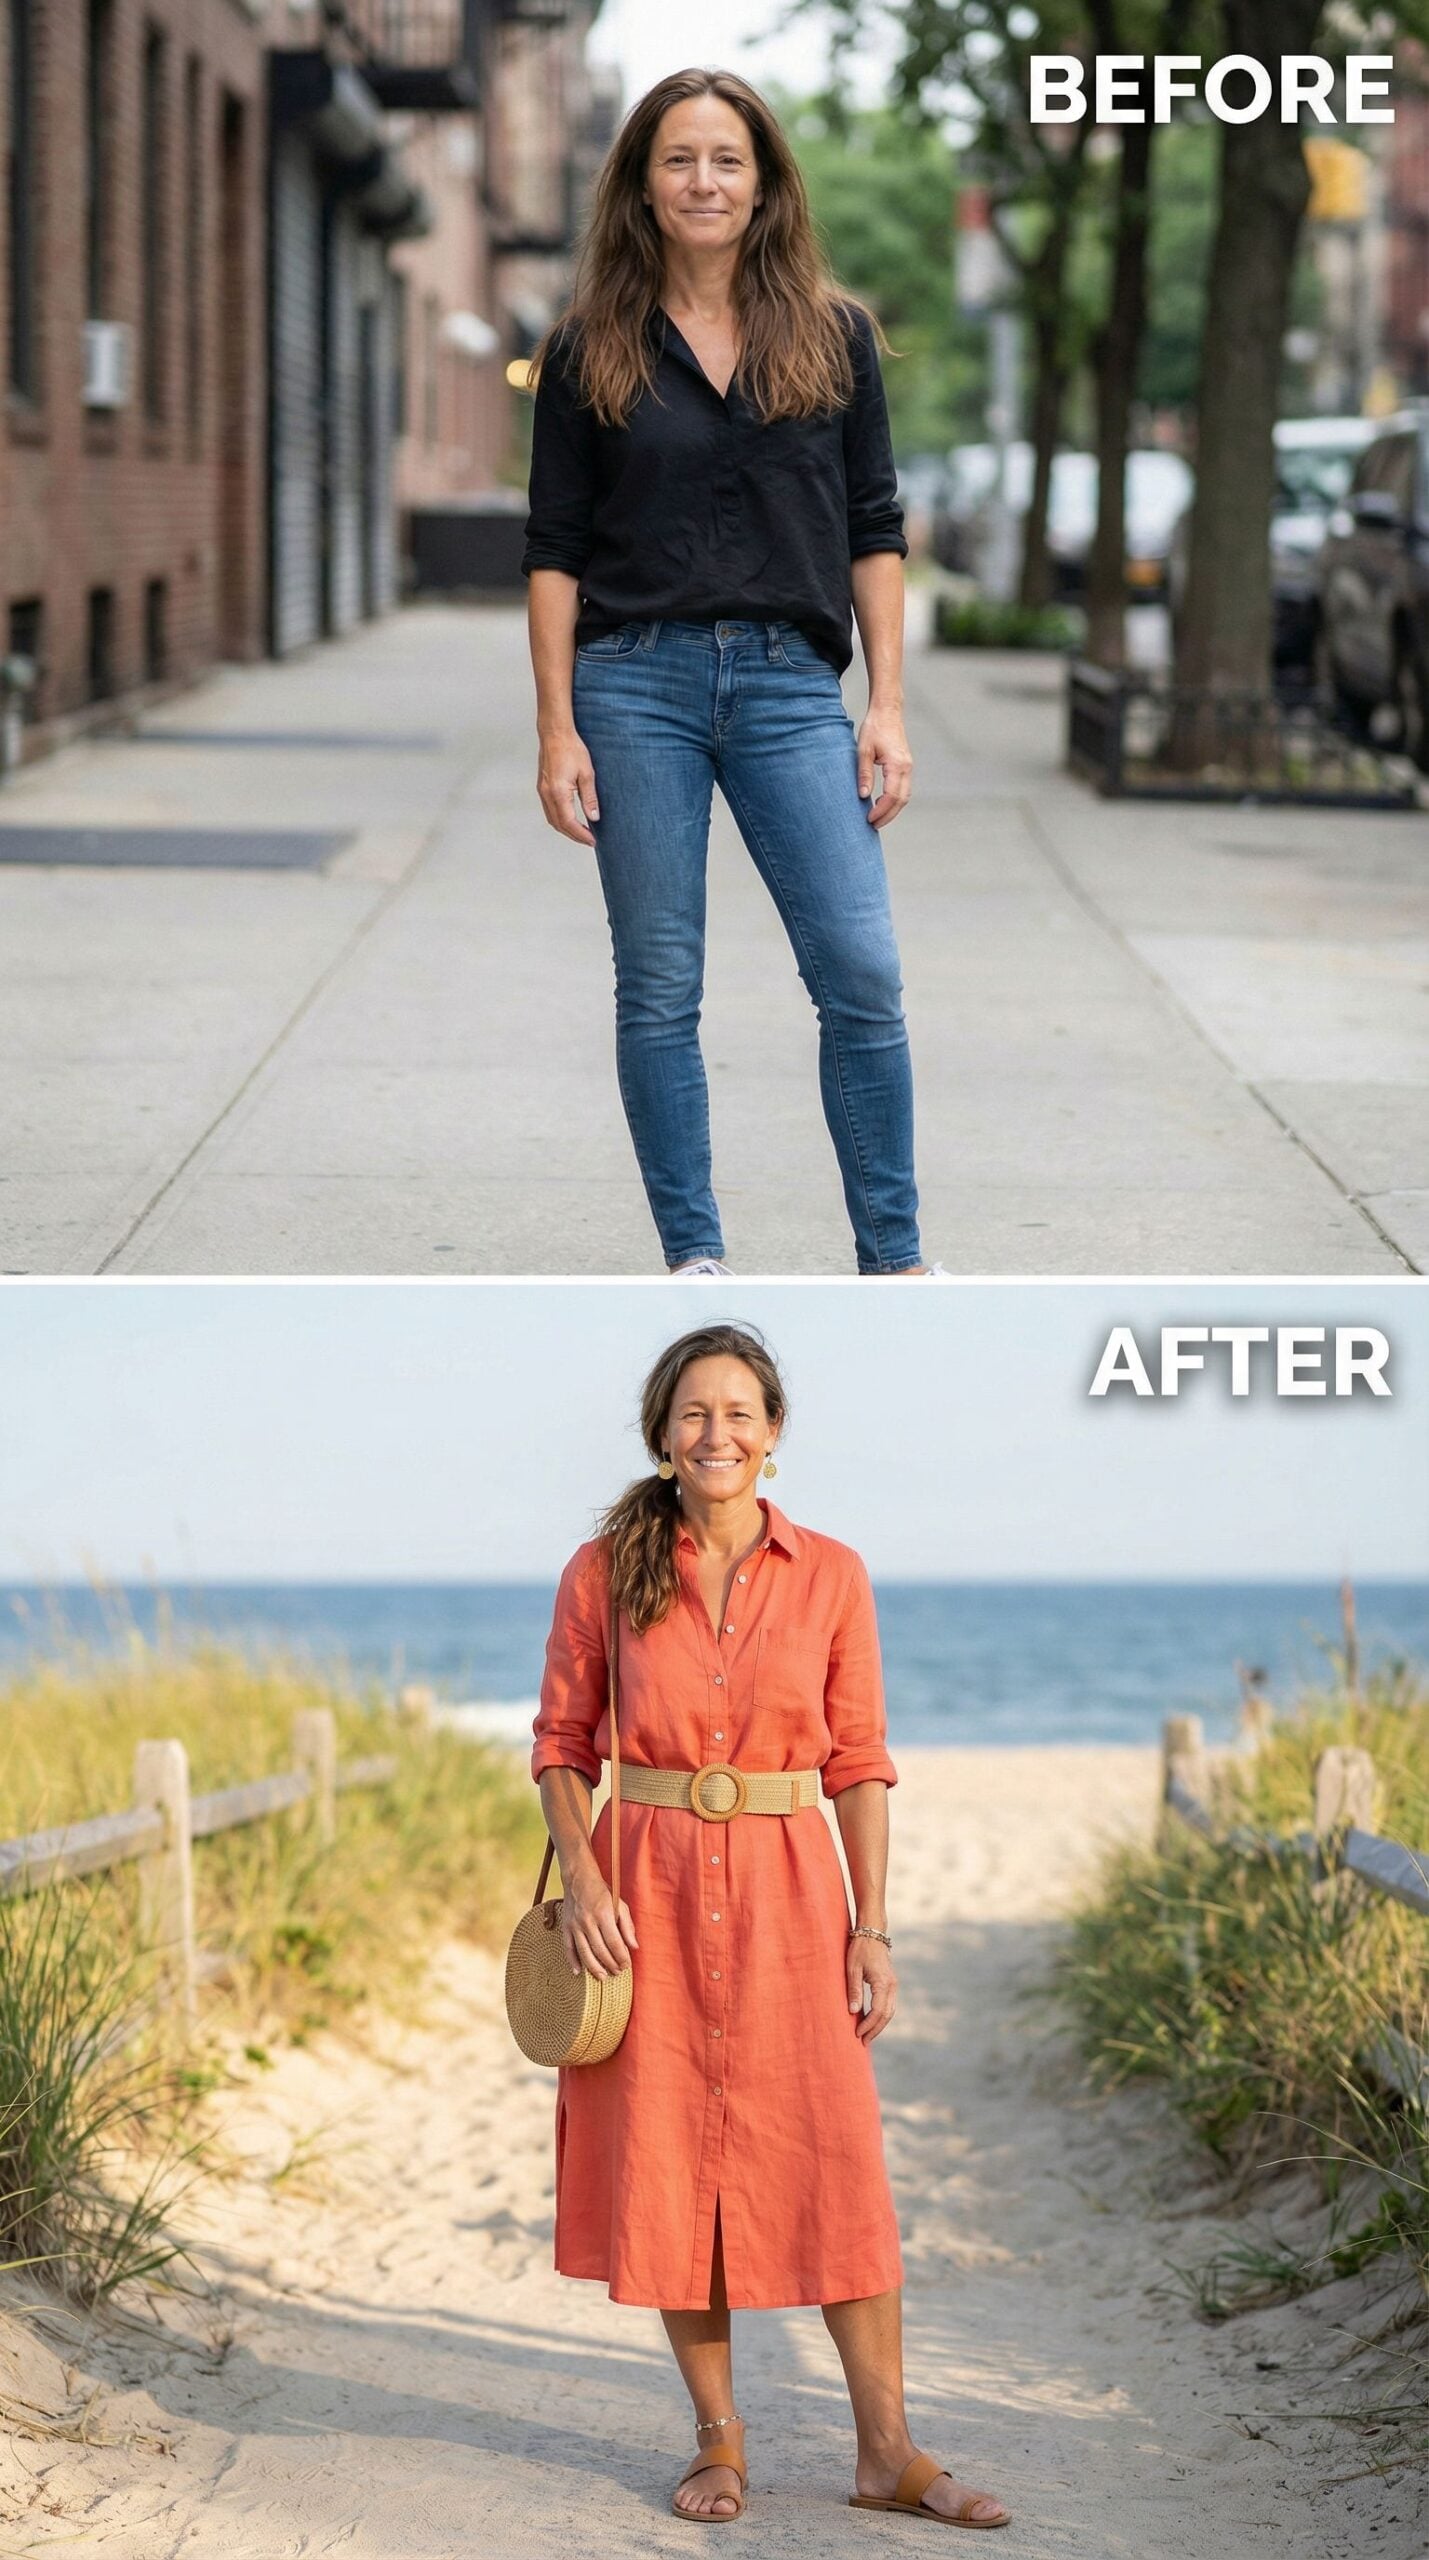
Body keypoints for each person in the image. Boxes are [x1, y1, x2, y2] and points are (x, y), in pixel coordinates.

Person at [530, 1323, 1009, 2528]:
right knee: (669, 2166)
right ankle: (719, 2442)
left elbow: (858, 1759)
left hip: (797, 1899)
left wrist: (873, 1924)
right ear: (661, 1432)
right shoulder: (603, 1571)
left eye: (739, 1413)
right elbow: (559, 1745)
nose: (717, 1434)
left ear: (774, 1433)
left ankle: (886, 2451)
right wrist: (585, 1882)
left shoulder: (834, 1572)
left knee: (837, 2160)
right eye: (694, 1413)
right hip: (643, 1900)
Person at [522, 70, 938, 1279]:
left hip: (789, 689)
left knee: (860, 971)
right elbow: (553, 549)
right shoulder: (586, 349)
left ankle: (895, 1259)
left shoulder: (834, 335)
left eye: (726, 160)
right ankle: (696, 1259)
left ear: (763, 186)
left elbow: (874, 525)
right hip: (631, 684)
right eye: (678, 160)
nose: (703, 181)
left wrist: (888, 708)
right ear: (641, 186)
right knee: (659, 985)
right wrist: (556, 727)